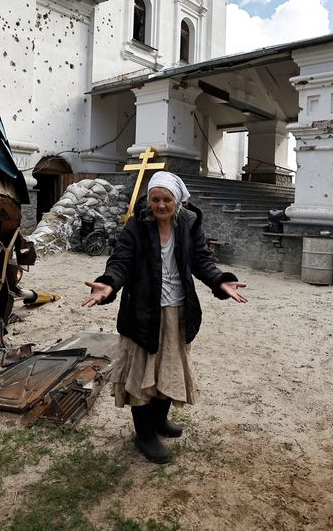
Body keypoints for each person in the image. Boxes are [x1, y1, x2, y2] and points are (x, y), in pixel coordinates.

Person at [82, 171, 247, 464]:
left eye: (166, 199)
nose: (160, 205)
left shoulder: (188, 223)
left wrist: (220, 280)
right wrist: (108, 284)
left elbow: (201, 259)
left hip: (178, 310)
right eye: (155, 199)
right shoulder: (137, 225)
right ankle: (144, 435)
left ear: (177, 201)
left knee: (169, 369)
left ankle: (159, 422)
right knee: (144, 374)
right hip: (143, 311)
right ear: (149, 201)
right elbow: (121, 260)